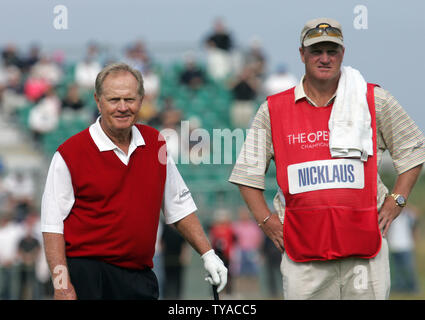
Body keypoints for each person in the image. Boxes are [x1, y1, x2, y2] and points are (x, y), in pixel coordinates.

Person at [229, 17, 425, 300]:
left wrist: (398, 200)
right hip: (303, 255)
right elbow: (247, 173)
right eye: (316, 51)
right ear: (302, 54)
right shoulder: (274, 109)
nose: (324, 58)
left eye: (331, 51)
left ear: (342, 54)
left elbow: (414, 149)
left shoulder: (373, 99)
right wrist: (266, 221)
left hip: (365, 251)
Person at [41, 62, 227, 300]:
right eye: (113, 100)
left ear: (141, 101)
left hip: (139, 276)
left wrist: (208, 254)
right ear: (98, 101)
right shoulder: (70, 153)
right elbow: (52, 226)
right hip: (86, 277)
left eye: (129, 99)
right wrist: (61, 285)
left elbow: (179, 207)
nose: (122, 107)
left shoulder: (156, 143)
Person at [386, 205, 420, 294]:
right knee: (397, 269)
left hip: (406, 246)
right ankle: (400, 287)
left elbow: (416, 214)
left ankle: (413, 287)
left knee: (409, 268)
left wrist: (404, 206)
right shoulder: (392, 216)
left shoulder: (407, 216)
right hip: (394, 246)